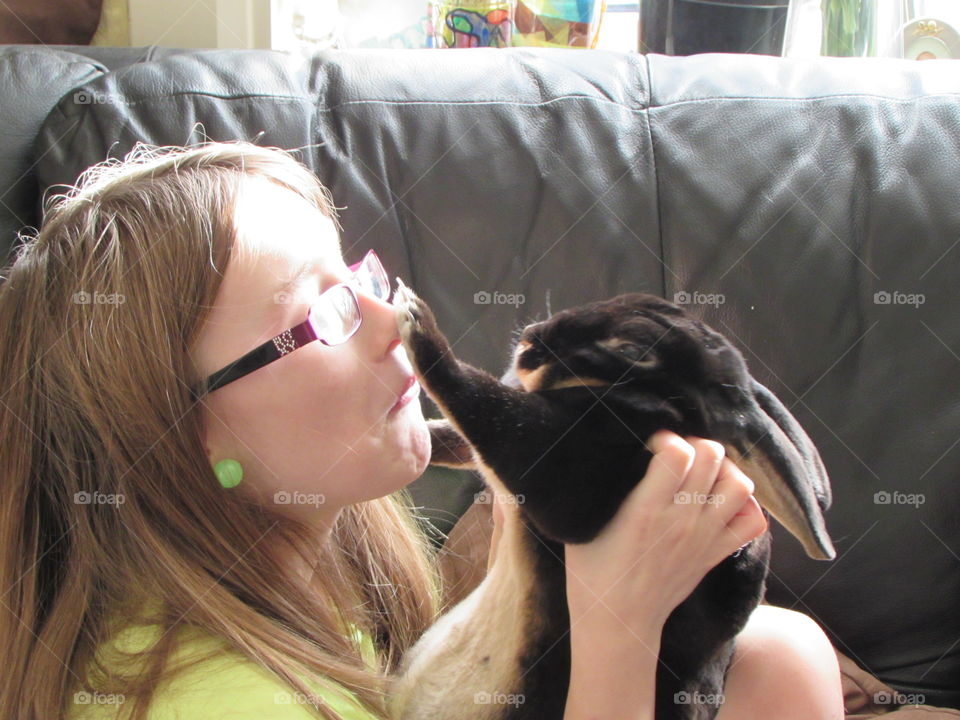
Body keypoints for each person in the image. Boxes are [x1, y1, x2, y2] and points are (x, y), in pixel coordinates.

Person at [0, 141, 843, 720]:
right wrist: (616, 616)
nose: (388, 320)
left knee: (779, 654)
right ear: (187, 436)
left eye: (359, 275)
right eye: (320, 313)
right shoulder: (226, 702)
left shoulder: (308, 541)